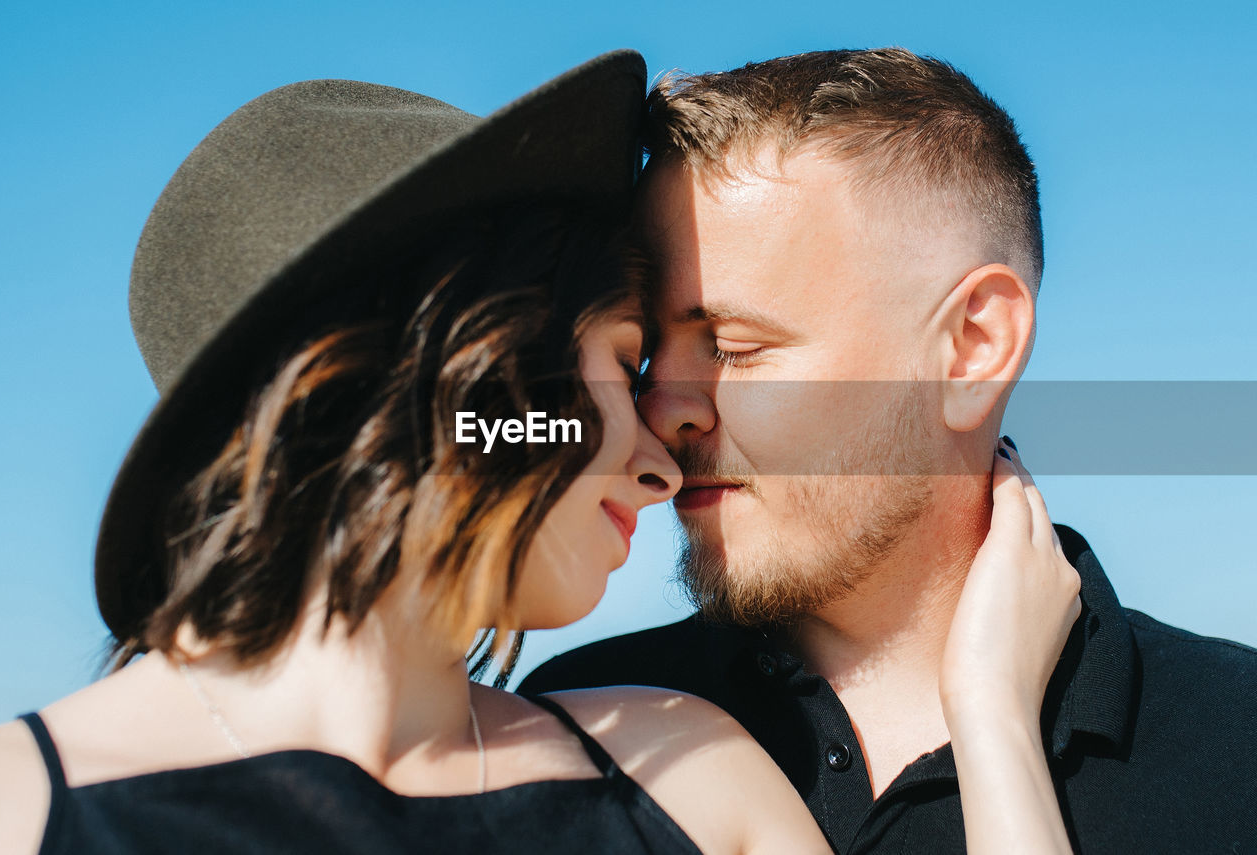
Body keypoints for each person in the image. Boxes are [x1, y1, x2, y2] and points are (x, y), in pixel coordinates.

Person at [0, 51, 1079, 855]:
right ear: (463, 385)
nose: (659, 461)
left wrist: (986, 717)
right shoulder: (7, 811)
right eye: (619, 360)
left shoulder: (685, 774)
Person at [519, 47, 1257, 854]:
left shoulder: (1236, 741)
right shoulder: (582, 723)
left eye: (732, 347)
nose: (659, 411)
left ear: (973, 345)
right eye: (647, 353)